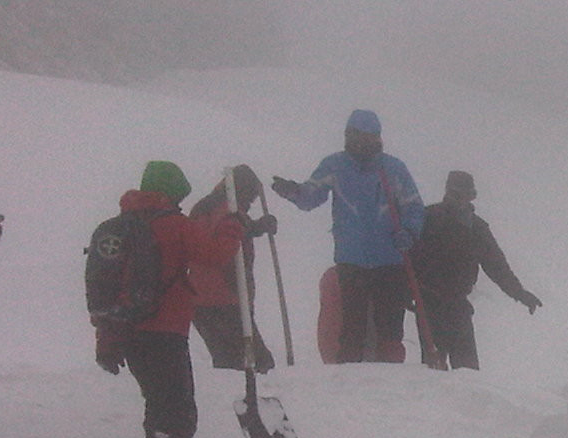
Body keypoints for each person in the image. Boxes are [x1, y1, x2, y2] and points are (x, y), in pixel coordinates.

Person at [92, 161, 245, 438]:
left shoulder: (120, 227)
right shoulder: (175, 225)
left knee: (158, 400)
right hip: (166, 329)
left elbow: (109, 284)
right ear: (171, 193)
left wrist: (106, 337)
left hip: (126, 330)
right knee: (178, 407)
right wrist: (232, 228)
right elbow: (215, 255)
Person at [272, 109, 424, 362]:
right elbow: (312, 196)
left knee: (390, 328)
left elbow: (414, 206)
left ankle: (392, 375)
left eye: (367, 138)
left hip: (389, 260)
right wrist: (294, 192)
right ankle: (349, 378)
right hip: (352, 261)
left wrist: (409, 231)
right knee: (352, 326)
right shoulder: (336, 166)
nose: (362, 144)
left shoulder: (393, 169)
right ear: (347, 137)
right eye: (356, 137)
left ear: (377, 138)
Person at [413, 170, 541, 370]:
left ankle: (464, 400)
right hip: (428, 302)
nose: (459, 200)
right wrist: (404, 292)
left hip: (457, 303)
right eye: (455, 194)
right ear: (447, 192)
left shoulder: (477, 228)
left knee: (467, 369)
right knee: (434, 368)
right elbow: (409, 258)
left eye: (464, 195)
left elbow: (496, 266)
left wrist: (519, 293)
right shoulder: (428, 218)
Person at [188, 165, 278, 372]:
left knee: (229, 362)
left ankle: (235, 401)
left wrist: (256, 227)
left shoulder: (210, 208)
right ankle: (251, 401)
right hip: (222, 301)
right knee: (258, 364)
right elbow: (223, 239)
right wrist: (255, 227)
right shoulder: (225, 210)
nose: (250, 203)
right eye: (250, 197)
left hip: (202, 301)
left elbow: (233, 229)